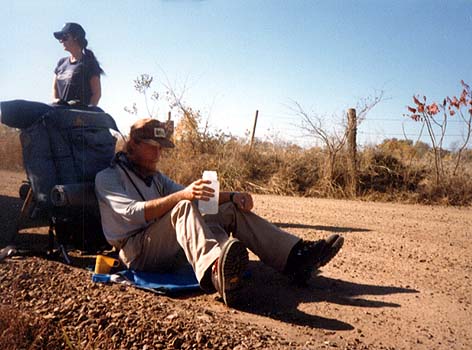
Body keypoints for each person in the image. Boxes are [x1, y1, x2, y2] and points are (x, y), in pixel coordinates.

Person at [95, 118, 344, 306]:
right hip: (137, 252)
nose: (159, 154)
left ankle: (295, 258)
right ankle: (218, 270)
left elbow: (197, 196)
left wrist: (234, 196)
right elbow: (133, 212)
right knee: (182, 206)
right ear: (133, 145)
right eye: (153, 147)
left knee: (227, 210)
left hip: (163, 243)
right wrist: (183, 196)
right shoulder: (108, 178)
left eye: (162, 148)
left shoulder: (154, 177)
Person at [52, 22, 104, 107]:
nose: (61, 41)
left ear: (76, 37)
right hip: (61, 115)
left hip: (79, 117)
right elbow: (55, 89)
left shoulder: (89, 63)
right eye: (60, 38)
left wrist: (87, 113)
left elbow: (96, 94)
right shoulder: (61, 63)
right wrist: (56, 102)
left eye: (65, 37)